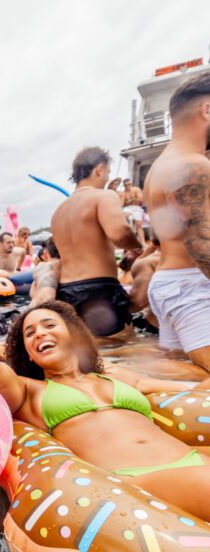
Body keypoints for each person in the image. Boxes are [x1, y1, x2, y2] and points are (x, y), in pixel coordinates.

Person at [0, 300, 210, 521]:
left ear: (75, 334)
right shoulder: (29, 390)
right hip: (135, 479)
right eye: (29, 333)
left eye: (49, 325)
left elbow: (184, 391)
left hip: (191, 460)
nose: (39, 333)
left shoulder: (117, 377)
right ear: (26, 351)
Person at [143, 71, 210, 373]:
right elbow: (204, 247)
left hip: (170, 284)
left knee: (186, 380)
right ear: (206, 110)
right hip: (192, 285)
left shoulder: (160, 166)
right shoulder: (193, 166)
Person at [50, 147, 143, 336]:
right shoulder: (104, 196)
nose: (107, 178)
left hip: (66, 292)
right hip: (99, 290)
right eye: (107, 173)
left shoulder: (58, 212)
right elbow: (119, 234)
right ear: (99, 169)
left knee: (87, 352)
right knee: (124, 350)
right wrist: (138, 246)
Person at [121, 178, 146, 244]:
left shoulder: (136, 189)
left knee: (139, 224)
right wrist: (134, 199)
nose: (128, 186)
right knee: (126, 217)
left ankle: (143, 242)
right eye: (126, 185)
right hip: (127, 208)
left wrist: (128, 201)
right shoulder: (123, 193)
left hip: (136, 208)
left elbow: (140, 200)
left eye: (129, 184)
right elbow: (122, 204)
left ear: (131, 184)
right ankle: (130, 240)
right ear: (123, 186)